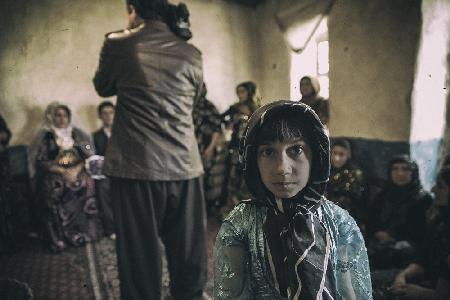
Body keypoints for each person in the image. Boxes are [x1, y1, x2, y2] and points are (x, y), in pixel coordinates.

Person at [93, 1, 207, 299]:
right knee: (188, 254)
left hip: (135, 166)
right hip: (184, 165)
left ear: (133, 9)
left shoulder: (119, 44)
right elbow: (195, 102)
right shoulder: (192, 53)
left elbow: (103, 86)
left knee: (139, 258)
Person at [214, 100, 372, 299]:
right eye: (268, 152)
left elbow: (350, 293)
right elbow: (230, 294)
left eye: (296, 150)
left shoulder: (340, 224)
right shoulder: (241, 224)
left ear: (317, 155)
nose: (282, 168)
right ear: (253, 160)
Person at [373, 166, 450, 299]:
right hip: (422, 279)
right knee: (364, 278)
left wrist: (424, 294)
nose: (433, 190)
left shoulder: (424, 200)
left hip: (431, 288)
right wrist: (402, 276)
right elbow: (423, 259)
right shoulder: (441, 220)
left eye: (440, 186)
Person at [34, 104, 97, 252]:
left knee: (85, 182)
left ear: (69, 117)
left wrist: (76, 169)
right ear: (52, 117)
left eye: (65, 115)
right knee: (54, 187)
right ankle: (58, 237)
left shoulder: (79, 135)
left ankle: (81, 233)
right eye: (58, 115)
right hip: (56, 172)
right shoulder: (46, 137)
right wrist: (62, 171)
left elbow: (89, 152)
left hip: (78, 169)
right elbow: (40, 160)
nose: (62, 119)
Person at [368, 155, 433, 269]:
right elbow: (372, 220)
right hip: (380, 241)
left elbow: (422, 231)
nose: (400, 173)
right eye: (395, 169)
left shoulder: (423, 199)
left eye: (405, 169)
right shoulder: (383, 195)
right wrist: (377, 232)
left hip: (409, 246)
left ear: (413, 173)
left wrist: (393, 237)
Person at [220, 81, 261, 217]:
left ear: (249, 92)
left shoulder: (256, 108)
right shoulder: (234, 107)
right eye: (238, 92)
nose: (240, 95)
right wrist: (230, 123)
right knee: (233, 174)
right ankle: (232, 207)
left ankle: (249, 208)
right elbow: (220, 118)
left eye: (242, 92)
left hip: (251, 146)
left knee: (248, 175)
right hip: (235, 145)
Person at [192, 83, 225, 214]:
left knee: (207, 177)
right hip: (192, 147)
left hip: (206, 146)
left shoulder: (209, 107)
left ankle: (207, 209)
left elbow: (216, 130)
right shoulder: (189, 105)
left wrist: (210, 148)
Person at [327, 138, 366, 232]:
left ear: (348, 155)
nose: (337, 158)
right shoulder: (327, 171)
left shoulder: (355, 174)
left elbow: (350, 201)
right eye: (334, 153)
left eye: (341, 154)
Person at [92, 101, 115, 239]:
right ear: (100, 116)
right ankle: (111, 228)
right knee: (102, 187)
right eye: (104, 113)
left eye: (111, 112)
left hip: (124, 172)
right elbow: (92, 155)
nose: (108, 116)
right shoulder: (94, 136)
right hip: (105, 172)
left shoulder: (124, 133)